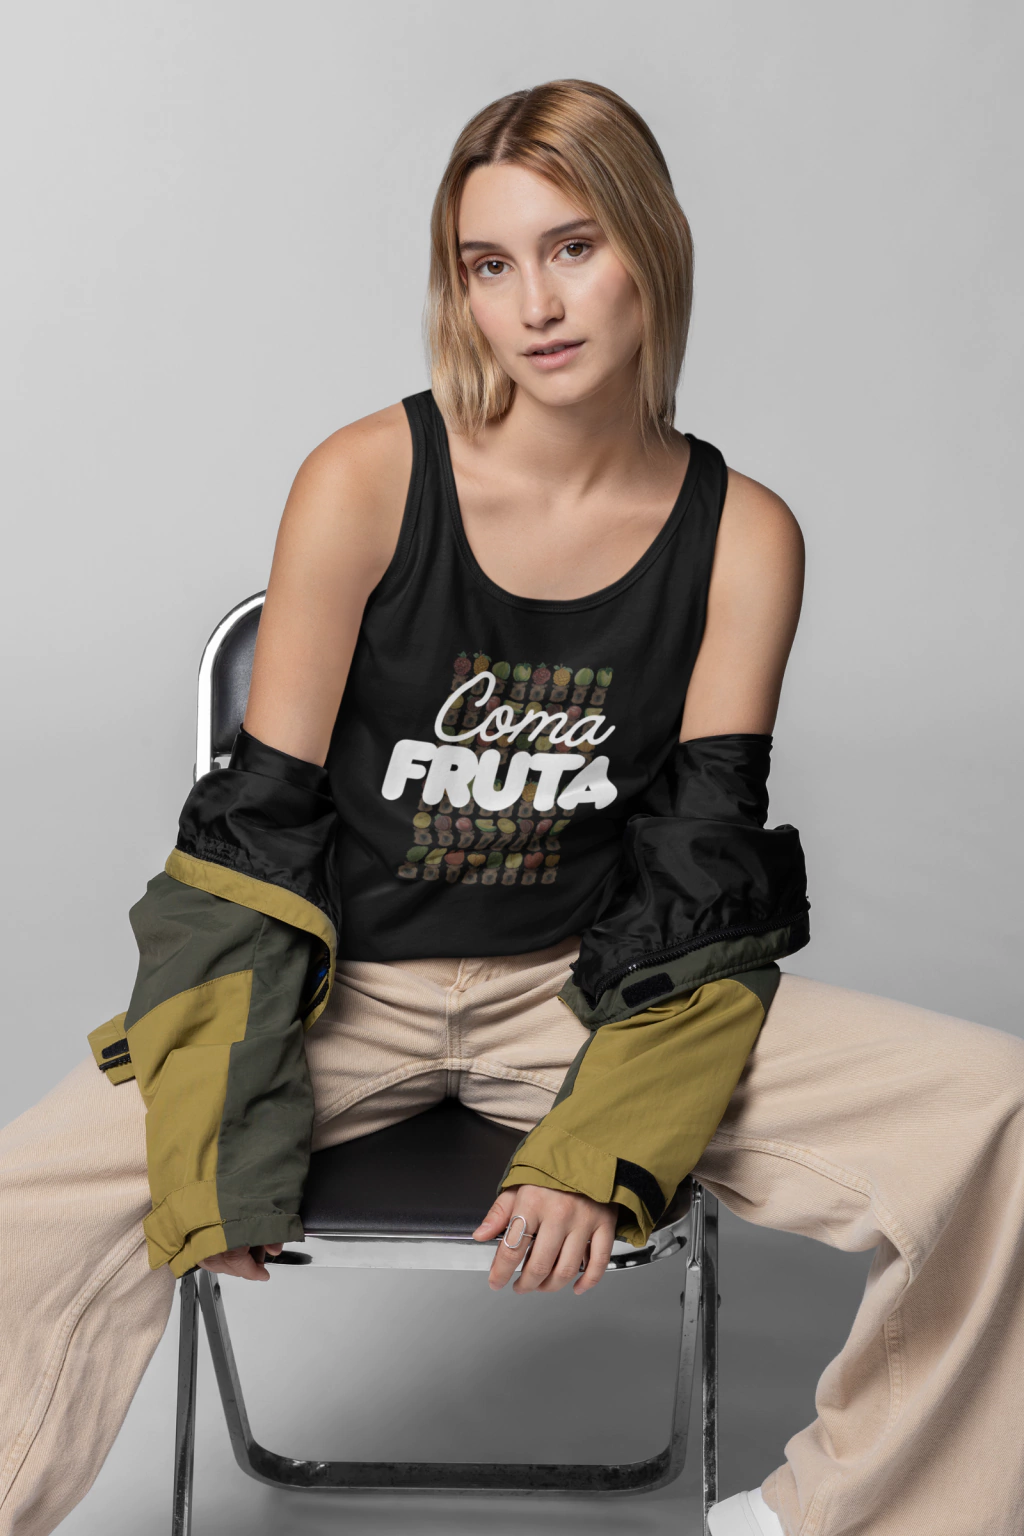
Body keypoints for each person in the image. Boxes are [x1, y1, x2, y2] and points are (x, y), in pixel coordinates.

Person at [0, 78, 1021, 1536]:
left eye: (572, 248)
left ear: (651, 250)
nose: (533, 305)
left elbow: (702, 871)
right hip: (344, 989)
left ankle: (829, 1524)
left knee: (998, 1116)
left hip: (585, 995)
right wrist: (215, 1127)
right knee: (25, 1203)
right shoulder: (365, 477)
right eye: (490, 263)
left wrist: (608, 1138)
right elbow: (249, 839)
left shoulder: (742, 536)